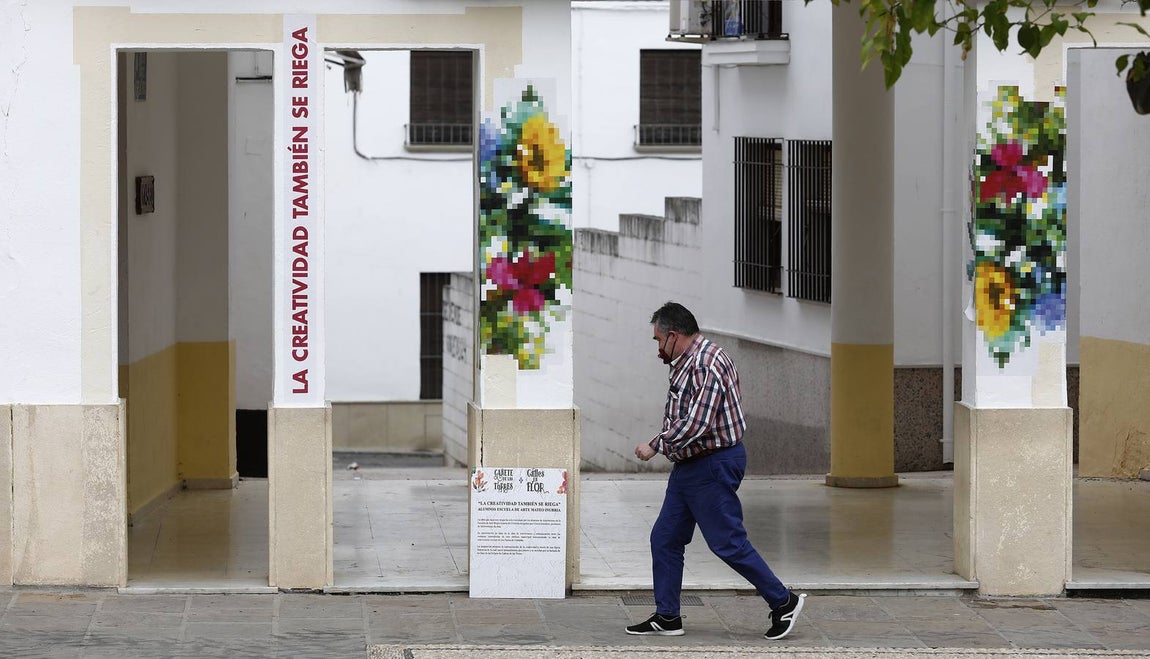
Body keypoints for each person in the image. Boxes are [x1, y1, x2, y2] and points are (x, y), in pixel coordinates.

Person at [625, 301, 805, 640]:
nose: (658, 348)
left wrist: (656, 444)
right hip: (691, 465)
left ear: (674, 336)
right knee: (665, 538)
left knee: (727, 543)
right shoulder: (688, 360)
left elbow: (698, 422)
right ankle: (667, 616)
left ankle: (783, 602)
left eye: (658, 340)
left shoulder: (707, 363)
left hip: (712, 463)